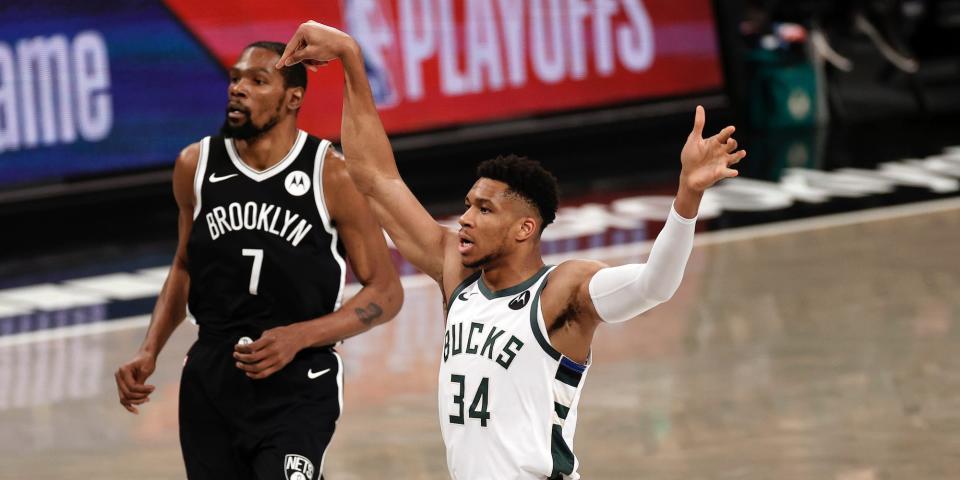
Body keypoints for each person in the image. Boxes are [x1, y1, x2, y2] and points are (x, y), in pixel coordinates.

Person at [279, 22, 746, 480]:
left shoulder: (564, 290)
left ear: (525, 228)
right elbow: (375, 178)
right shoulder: (456, 271)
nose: (465, 218)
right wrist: (351, 59)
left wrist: (687, 196)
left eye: (484, 209)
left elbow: (654, 286)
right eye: (467, 206)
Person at [114, 40, 403, 480]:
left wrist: (298, 337)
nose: (238, 89)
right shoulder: (195, 164)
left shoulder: (331, 174)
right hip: (213, 375)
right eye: (235, 79)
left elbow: (386, 292)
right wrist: (149, 350)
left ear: (293, 98)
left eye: (257, 80)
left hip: (299, 378)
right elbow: (185, 266)